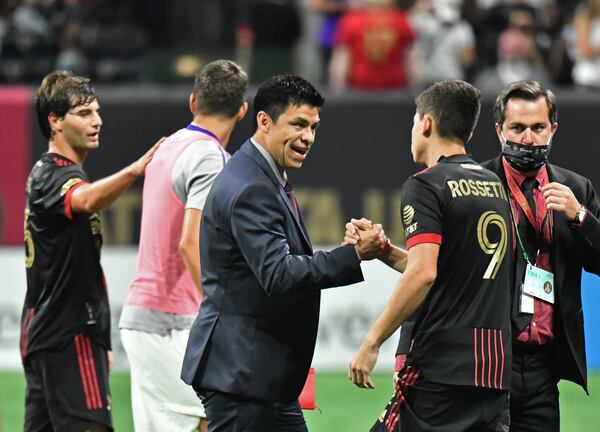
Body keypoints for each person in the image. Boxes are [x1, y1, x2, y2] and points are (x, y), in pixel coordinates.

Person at [180, 74, 385, 431]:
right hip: (241, 376)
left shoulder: (261, 175)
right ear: (264, 121)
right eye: (299, 124)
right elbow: (277, 274)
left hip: (261, 376)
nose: (308, 137)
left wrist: (345, 251)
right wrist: (352, 256)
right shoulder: (252, 186)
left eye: (314, 127)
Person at [347, 80, 513, 431]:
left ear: (426, 123)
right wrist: (386, 252)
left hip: (441, 364)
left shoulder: (426, 184)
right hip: (493, 368)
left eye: (413, 120)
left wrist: (371, 341)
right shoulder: (495, 186)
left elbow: (423, 273)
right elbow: (449, 268)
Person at [20, 70, 160, 432]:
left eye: (97, 111)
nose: (97, 121)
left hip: (51, 332)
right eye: (84, 114)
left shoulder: (47, 172)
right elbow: (87, 199)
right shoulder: (56, 173)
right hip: (70, 333)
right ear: (55, 122)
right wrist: (137, 169)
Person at [119, 60, 249, 432]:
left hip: (150, 317)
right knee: (225, 416)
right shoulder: (211, 158)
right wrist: (223, 312)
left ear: (193, 101)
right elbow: (190, 244)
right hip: (170, 322)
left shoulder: (168, 145)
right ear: (242, 110)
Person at [480, 80, 600, 431]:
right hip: (487, 360)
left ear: (553, 130)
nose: (528, 139)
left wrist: (580, 217)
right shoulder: (476, 184)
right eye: (517, 128)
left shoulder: (576, 189)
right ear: (500, 131)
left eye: (538, 128)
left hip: (543, 369)